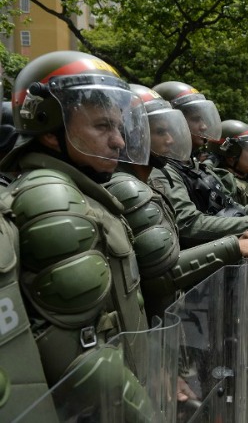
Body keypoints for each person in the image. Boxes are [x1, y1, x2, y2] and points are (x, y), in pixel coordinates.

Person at [0, 51, 156, 415]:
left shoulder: (83, 190)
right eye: (103, 126)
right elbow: (83, 367)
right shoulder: (52, 198)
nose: (119, 140)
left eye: (119, 127)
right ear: (50, 130)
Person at [105, 84, 248, 319]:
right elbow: (161, 270)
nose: (170, 139)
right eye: (160, 132)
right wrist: (234, 243)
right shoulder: (132, 184)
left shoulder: (164, 173)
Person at [148, 81, 248, 247]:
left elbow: (227, 205)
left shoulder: (194, 166)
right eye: (196, 119)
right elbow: (187, 224)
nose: (204, 126)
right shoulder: (161, 170)